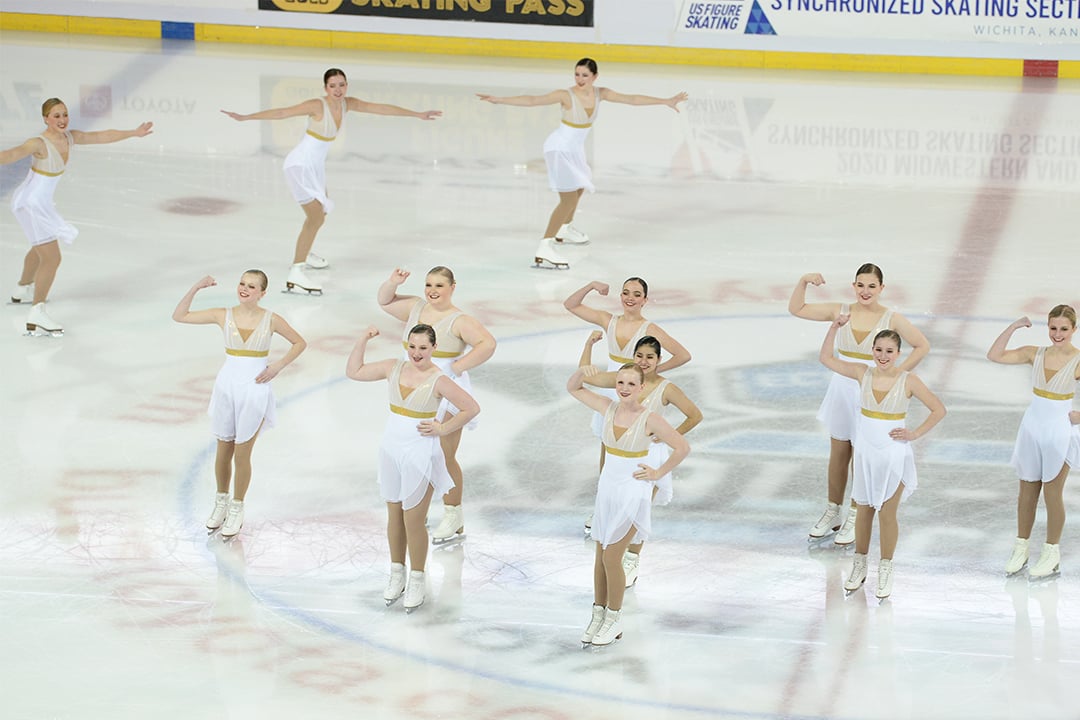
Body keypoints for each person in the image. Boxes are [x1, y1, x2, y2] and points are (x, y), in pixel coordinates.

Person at [222, 68, 441, 294]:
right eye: (333, 86)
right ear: (325, 88)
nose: (338, 90)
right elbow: (282, 113)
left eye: (342, 85)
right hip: (300, 166)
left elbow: (380, 108)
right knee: (315, 217)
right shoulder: (317, 105)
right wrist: (246, 117)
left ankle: (304, 254)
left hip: (315, 167)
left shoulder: (347, 103)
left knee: (320, 214)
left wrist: (417, 114)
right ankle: (296, 273)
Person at [477, 58, 687, 269]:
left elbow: (631, 99)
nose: (580, 79)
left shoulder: (600, 93)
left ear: (595, 77)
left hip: (574, 150)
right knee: (567, 200)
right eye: (577, 74)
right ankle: (545, 247)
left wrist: (665, 101)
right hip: (559, 148)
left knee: (580, 187)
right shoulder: (565, 95)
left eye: (585, 75)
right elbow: (533, 100)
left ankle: (564, 228)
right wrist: (500, 100)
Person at [789, 264, 930, 545]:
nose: (865, 291)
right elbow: (798, 309)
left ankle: (856, 513)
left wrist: (897, 376)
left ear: (881, 288)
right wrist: (804, 280)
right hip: (842, 388)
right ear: (854, 286)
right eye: (861, 285)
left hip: (871, 391)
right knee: (839, 452)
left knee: (862, 455)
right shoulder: (840, 311)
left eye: (871, 286)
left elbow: (922, 345)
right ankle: (833, 510)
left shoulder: (891, 318)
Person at [346, 324, 480, 612]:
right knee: (393, 515)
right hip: (391, 451)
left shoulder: (439, 380)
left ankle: (417, 577)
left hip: (420, 453)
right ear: (406, 345)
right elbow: (354, 371)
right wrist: (362, 339)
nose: (417, 353)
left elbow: (471, 407)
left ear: (433, 348)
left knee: (413, 520)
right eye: (412, 346)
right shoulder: (392, 367)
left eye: (423, 348)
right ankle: (397, 573)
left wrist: (443, 427)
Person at [172, 271, 307, 538]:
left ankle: (237, 507)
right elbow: (180, 315)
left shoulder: (271, 320)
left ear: (262, 293)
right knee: (223, 450)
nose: (245, 289)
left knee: (242, 453)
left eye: (252, 286)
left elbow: (300, 342)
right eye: (242, 284)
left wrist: (277, 367)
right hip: (226, 387)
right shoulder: (223, 314)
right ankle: (220, 502)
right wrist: (197, 286)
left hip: (255, 389)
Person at [2, 98, 152, 335]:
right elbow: (12, 154)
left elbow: (101, 136)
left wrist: (133, 132)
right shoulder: (38, 143)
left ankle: (22, 289)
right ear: (45, 119)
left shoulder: (69, 137)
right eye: (56, 116)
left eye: (64, 115)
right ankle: (37, 313)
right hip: (31, 204)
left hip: (40, 203)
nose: (62, 120)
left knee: (39, 247)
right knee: (52, 258)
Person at [819, 318, 945, 599]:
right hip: (866, 454)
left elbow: (938, 409)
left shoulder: (908, 380)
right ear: (872, 351)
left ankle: (886, 567)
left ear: (898, 353)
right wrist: (834, 328)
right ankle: (859, 565)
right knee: (864, 511)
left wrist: (914, 434)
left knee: (887, 513)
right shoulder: (862, 373)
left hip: (893, 456)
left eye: (889, 351)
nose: (883, 356)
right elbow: (825, 358)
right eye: (878, 350)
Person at [568, 364, 689, 646]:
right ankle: (598, 614)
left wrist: (658, 474)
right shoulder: (607, 408)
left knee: (612, 557)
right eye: (620, 382)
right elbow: (573, 388)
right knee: (600, 556)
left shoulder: (651, 419)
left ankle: (614, 618)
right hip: (607, 492)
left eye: (631, 384)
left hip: (633, 493)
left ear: (642, 388)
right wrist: (582, 372)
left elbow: (682, 447)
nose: (624, 388)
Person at [376, 266, 496, 544]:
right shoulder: (416, 308)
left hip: (445, 388)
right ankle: (419, 507)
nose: (432, 290)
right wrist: (392, 282)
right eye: (429, 284)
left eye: (440, 285)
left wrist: (457, 366)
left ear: (453, 287)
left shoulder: (459, 320)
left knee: (443, 454)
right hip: (418, 387)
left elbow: (487, 344)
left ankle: (453, 514)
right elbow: (384, 301)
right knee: (419, 451)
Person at [565, 277, 690, 539]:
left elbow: (682, 355)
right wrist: (590, 286)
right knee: (608, 449)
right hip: (612, 382)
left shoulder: (649, 328)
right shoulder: (608, 321)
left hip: (634, 385)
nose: (629, 298)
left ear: (645, 300)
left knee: (634, 446)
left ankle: (633, 514)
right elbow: (571, 304)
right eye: (625, 293)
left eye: (636, 294)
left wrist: (651, 373)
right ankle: (603, 507)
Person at [580, 332, 702, 588]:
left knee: (640, 506)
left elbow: (694, 415)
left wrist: (669, 435)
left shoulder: (666, 388)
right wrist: (589, 345)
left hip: (650, 456)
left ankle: (632, 557)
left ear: (658, 360)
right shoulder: (624, 379)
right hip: (619, 447)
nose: (644, 361)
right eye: (639, 356)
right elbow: (586, 377)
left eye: (650, 357)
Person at [987, 306, 1080, 580]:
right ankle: (1021, 547)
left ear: (1074, 330)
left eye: (1064, 329)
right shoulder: (1034, 353)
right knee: (1026, 493)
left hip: (1060, 429)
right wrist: (1014, 326)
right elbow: (994, 355)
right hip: (1032, 427)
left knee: (1052, 493)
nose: (1058, 334)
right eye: (1053, 328)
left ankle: (1051, 553)